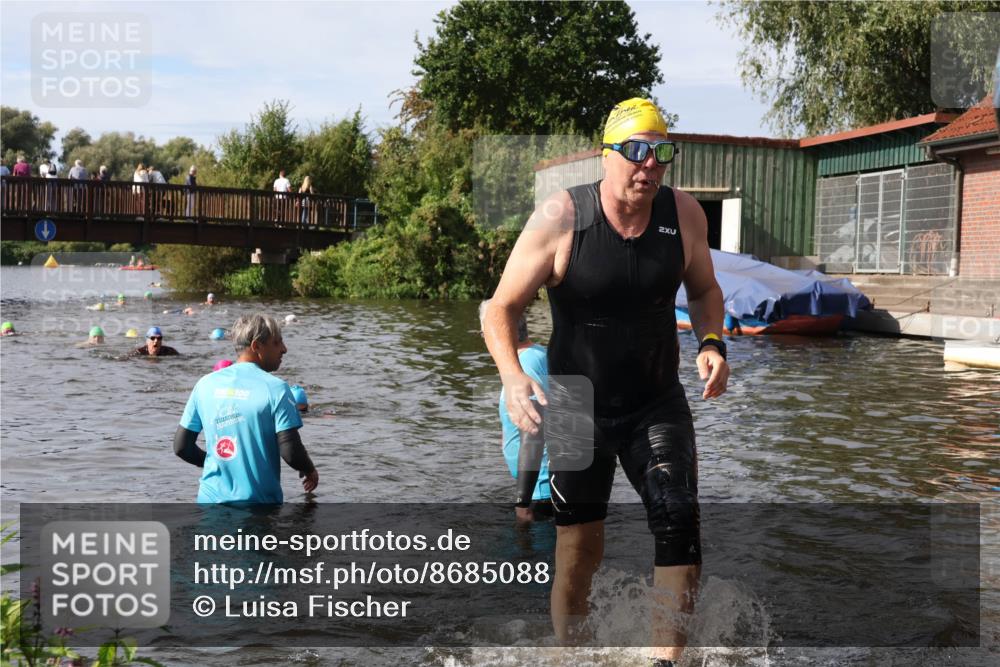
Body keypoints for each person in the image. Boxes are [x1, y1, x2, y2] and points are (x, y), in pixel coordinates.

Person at [482, 98, 730, 666]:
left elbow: (706, 291)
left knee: (678, 522)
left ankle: (666, 659)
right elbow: (498, 309)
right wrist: (514, 377)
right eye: (637, 152)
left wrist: (712, 343)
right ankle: (570, 655)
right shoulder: (562, 217)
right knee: (577, 545)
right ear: (607, 153)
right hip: (575, 402)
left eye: (662, 153)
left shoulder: (684, 214)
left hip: (656, 399)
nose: (650, 166)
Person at [172, 313, 319, 504]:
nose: (284, 349)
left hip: (209, 503)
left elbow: (182, 447)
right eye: (277, 342)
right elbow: (291, 451)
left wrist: (219, 463)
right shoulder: (276, 389)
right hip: (257, 507)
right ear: (256, 346)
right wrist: (309, 469)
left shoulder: (204, 384)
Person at [479, 300, 551, 523]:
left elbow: (532, 431)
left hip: (541, 494)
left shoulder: (525, 364)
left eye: (485, 334)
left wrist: (523, 503)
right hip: (544, 488)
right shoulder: (536, 355)